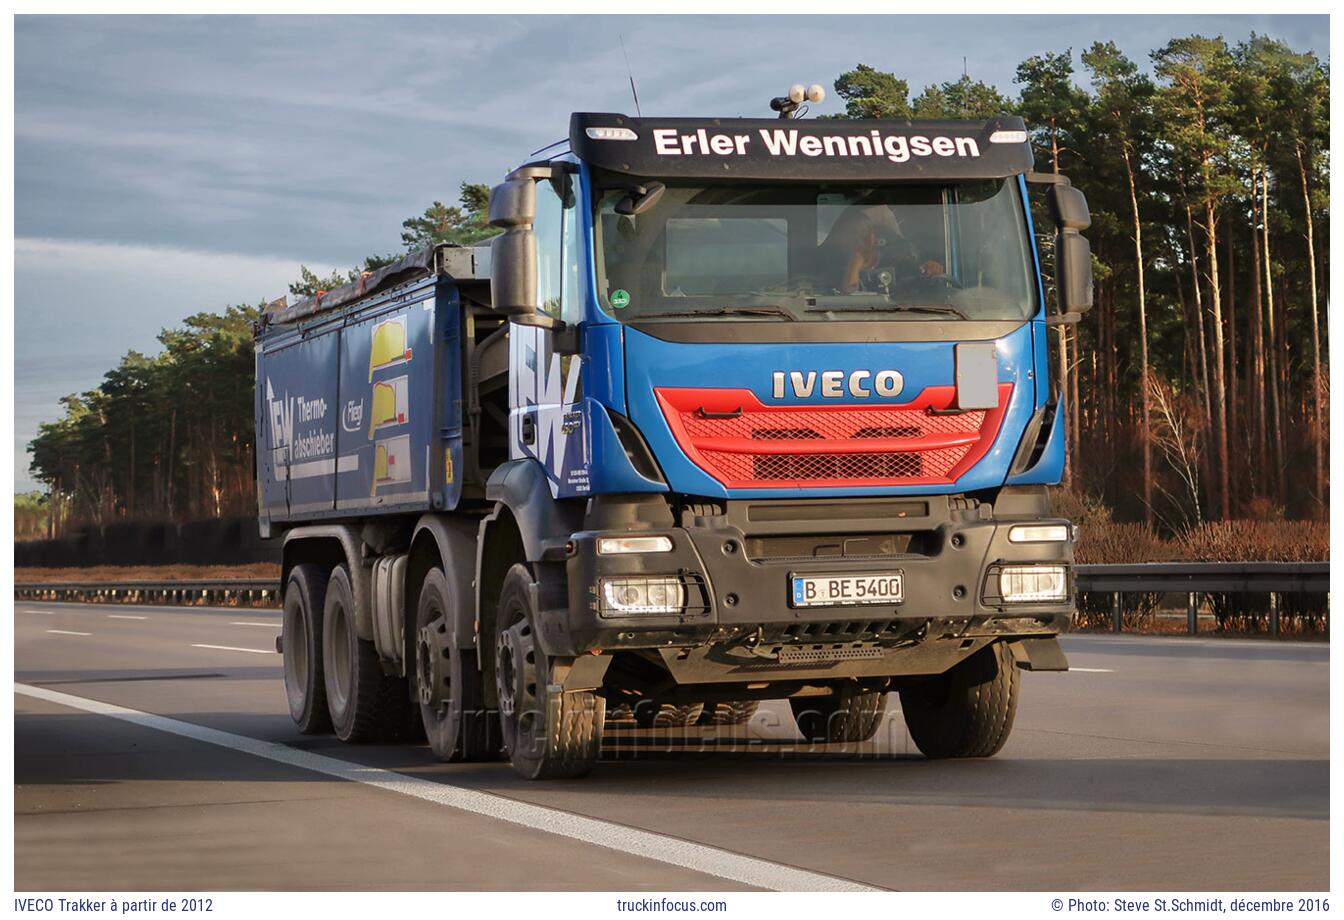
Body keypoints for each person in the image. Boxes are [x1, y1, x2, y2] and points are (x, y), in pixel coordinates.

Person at [818, 202, 944, 294]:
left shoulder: (897, 262)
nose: (855, 240)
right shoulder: (832, 268)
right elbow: (847, 292)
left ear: (872, 237)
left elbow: (924, 275)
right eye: (848, 235)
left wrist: (932, 268)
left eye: (860, 233)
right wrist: (855, 261)